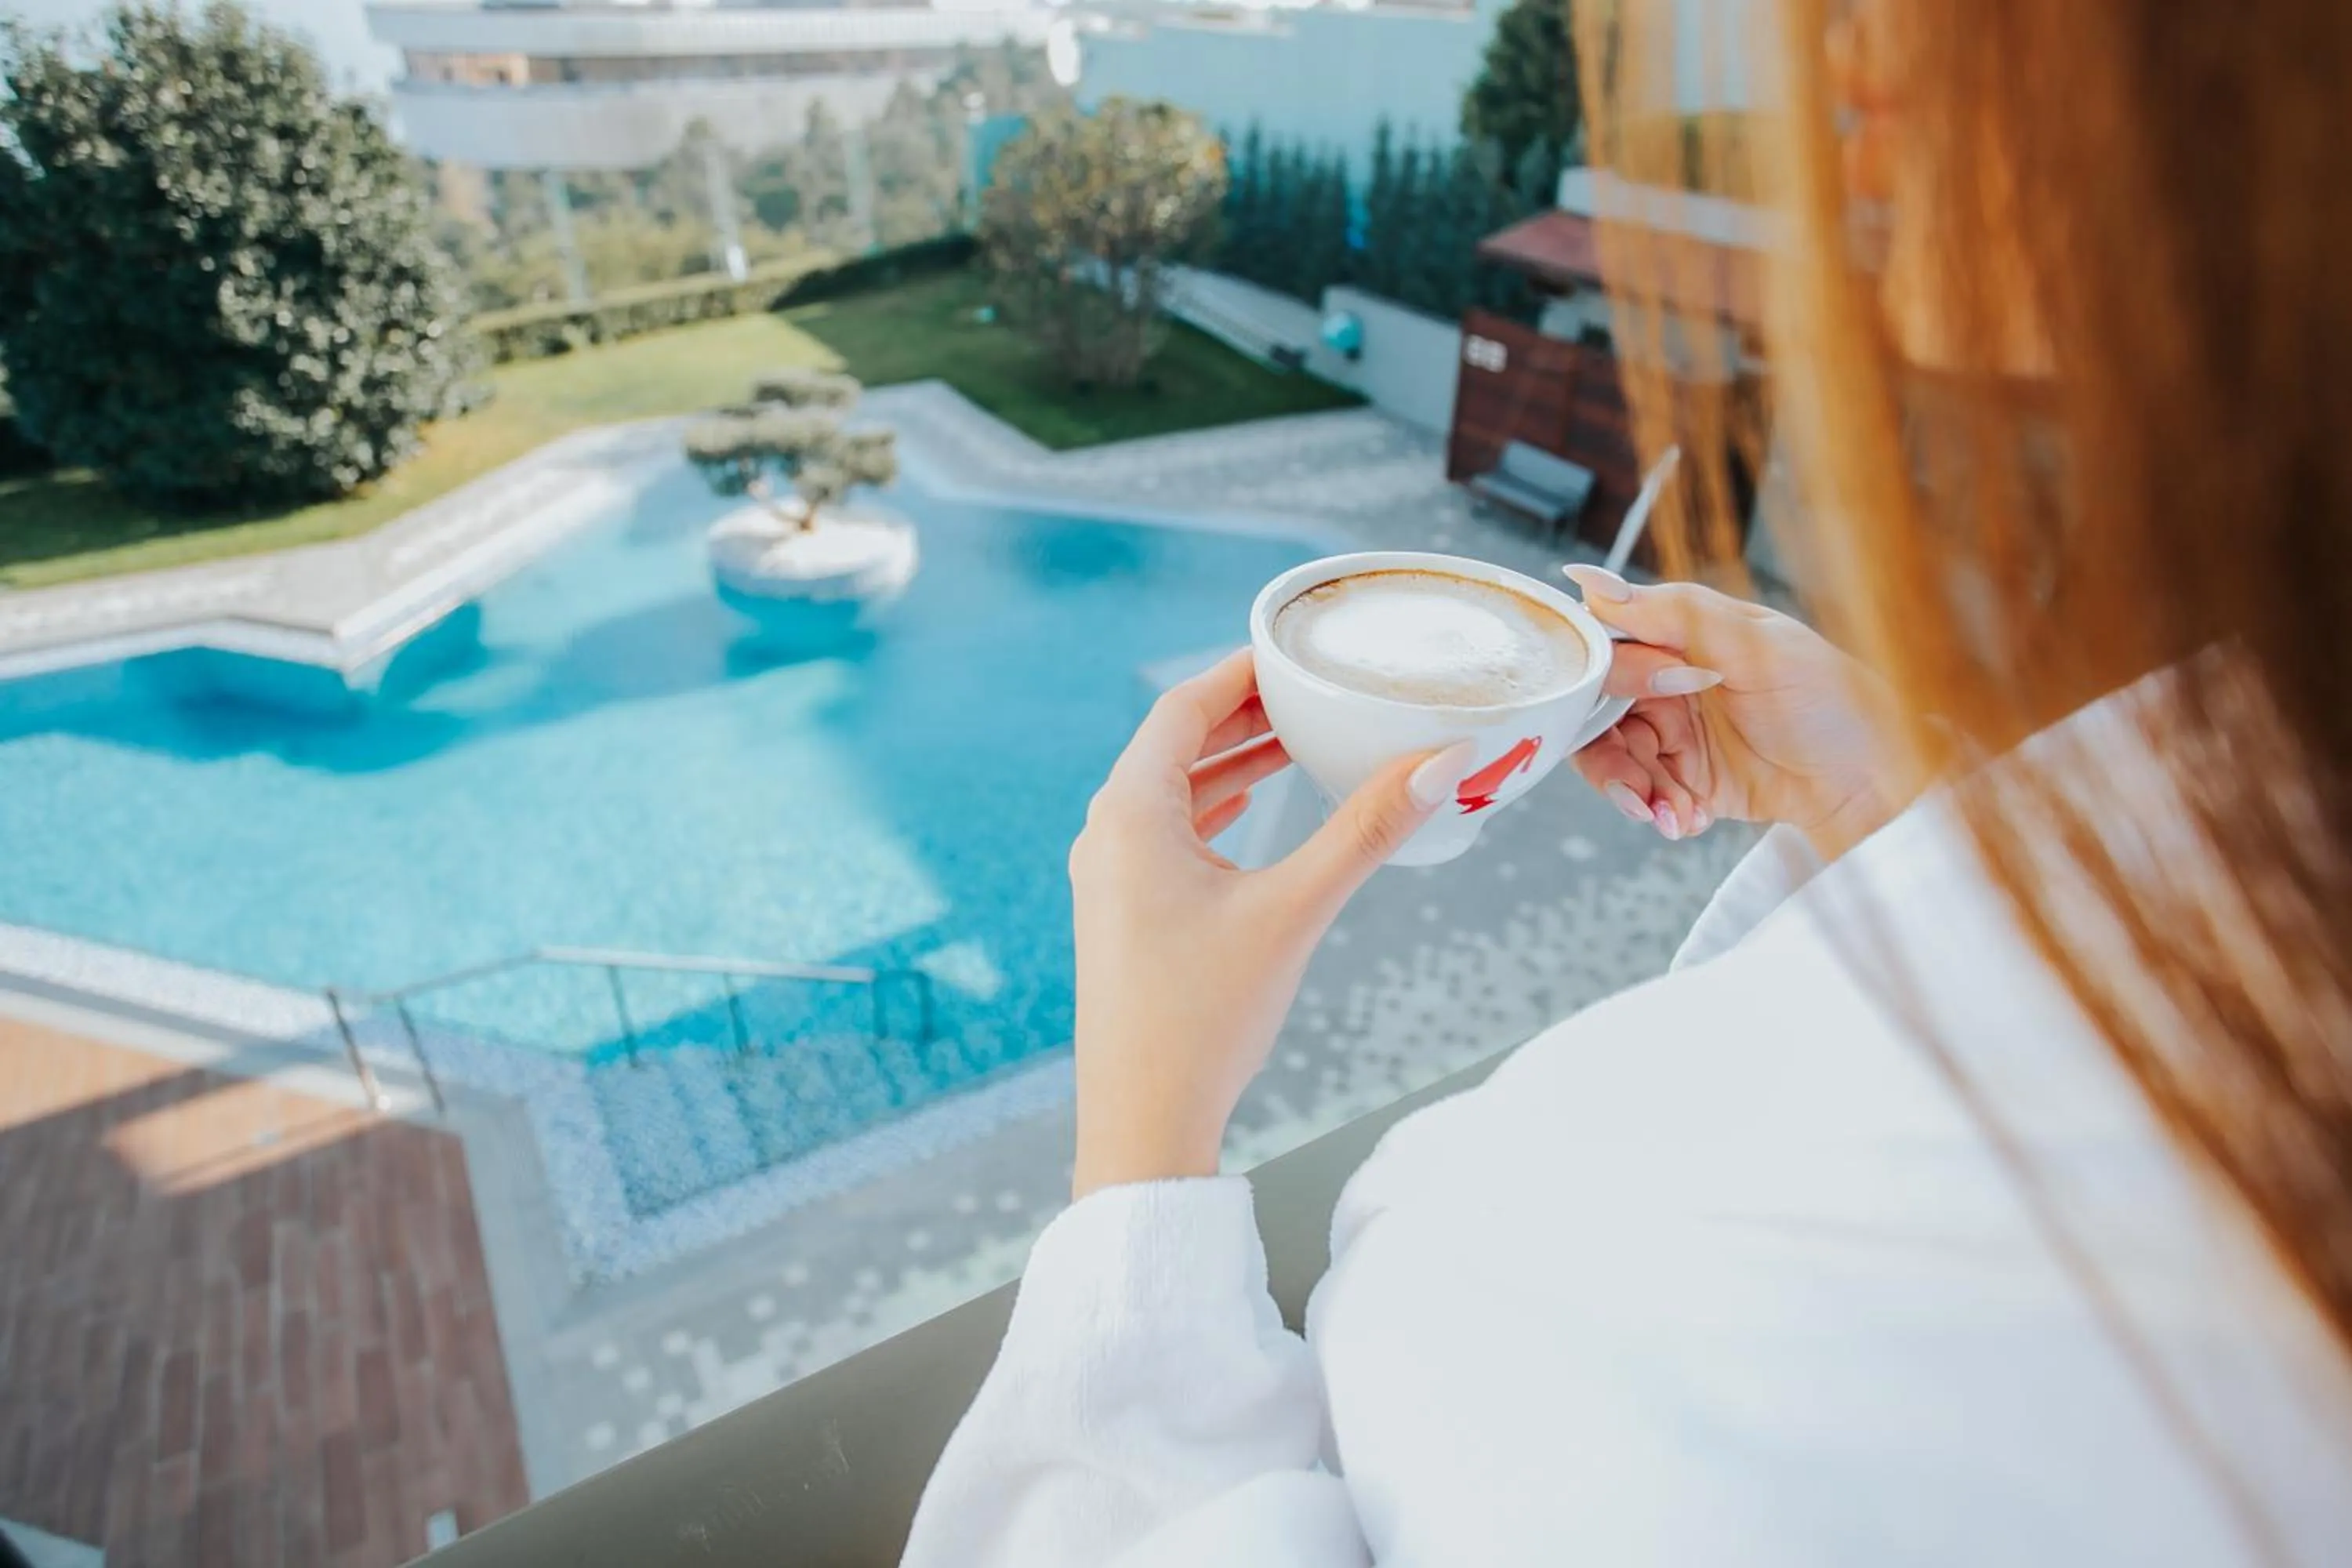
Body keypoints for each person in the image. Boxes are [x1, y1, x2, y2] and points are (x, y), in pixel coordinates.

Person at [902, 2, 2352, 1563]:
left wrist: (1142, 1149)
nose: (1839, 48)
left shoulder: (1889, 1374)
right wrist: (1903, 804)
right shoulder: (2249, 740)